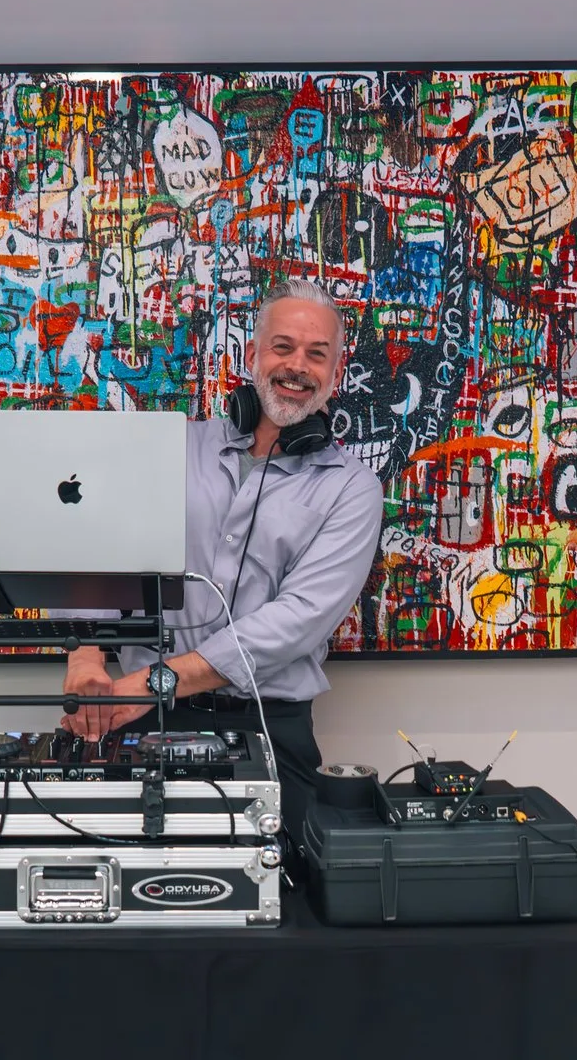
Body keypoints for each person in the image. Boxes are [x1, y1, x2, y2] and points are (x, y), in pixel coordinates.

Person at [59, 277, 385, 824]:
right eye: (283, 347)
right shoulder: (170, 449)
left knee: (283, 896)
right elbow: (93, 543)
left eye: (316, 354)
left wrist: (149, 684)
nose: (297, 366)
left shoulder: (352, 489)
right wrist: (85, 657)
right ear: (253, 354)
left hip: (267, 727)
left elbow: (298, 620)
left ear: (336, 372)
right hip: (134, 718)